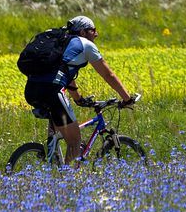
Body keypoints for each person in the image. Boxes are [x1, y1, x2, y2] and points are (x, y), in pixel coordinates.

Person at [24, 15, 134, 165]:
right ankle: (68, 184)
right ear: (83, 32)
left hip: (31, 90)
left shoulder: (62, 44)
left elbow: (66, 75)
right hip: (52, 92)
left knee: (58, 131)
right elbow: (108, 74)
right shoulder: (86, 45)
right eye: (93, 30)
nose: (96, 34)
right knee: (75, 141)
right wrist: (127, 98)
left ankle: (52, 164)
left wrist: (78, 99)